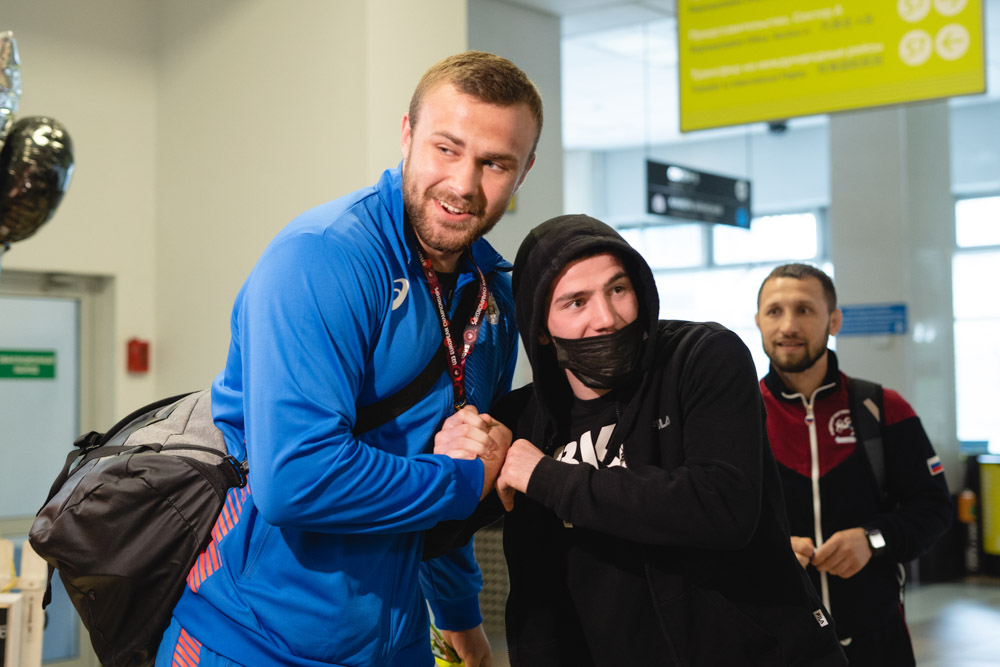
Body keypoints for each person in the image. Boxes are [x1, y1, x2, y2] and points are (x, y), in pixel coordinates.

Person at [155, 51, 540, 667]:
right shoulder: (322, 258)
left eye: (495, 163)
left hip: (397, 641)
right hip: (251, 640)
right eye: (446, 148)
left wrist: (461, 620)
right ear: (407, 134)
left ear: (524, 172)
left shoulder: (492, 296)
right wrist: (466, 482)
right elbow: (297, 478)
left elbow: (447, 475)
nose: (464, 184)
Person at [429, 215, 847, 666]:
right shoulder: (522, 421)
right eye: (576, 302)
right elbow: (431, 539)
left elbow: (722, 506)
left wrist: (546, 476)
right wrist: (450, 464)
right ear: (541, 328)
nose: (606, 318)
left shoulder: (702, 357)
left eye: (618, 289)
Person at [754, 263, 953, 666]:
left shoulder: (883, 408)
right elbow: (709, 524)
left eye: (804, 310)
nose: (788, 326)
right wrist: (769, 550)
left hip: (877, 641)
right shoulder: (737, 417)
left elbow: (934, 508)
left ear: (834, 321)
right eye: (774, 311)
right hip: (776, 642)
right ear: (758, 321)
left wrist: (872, 539)